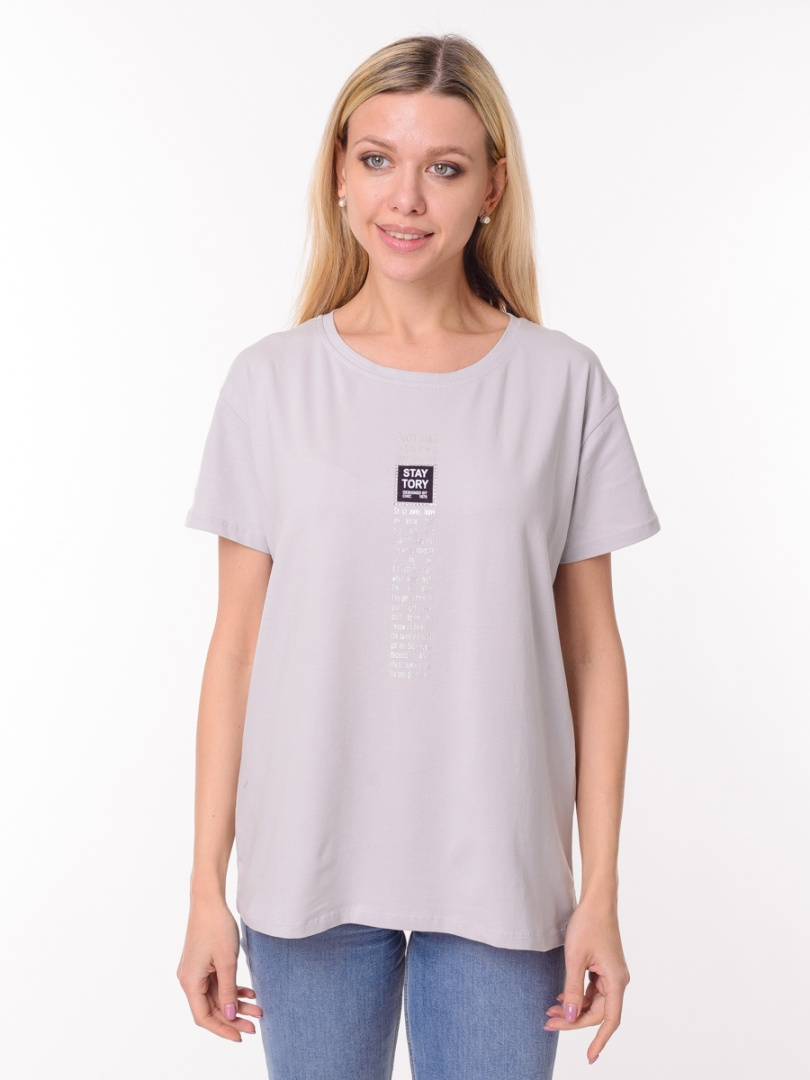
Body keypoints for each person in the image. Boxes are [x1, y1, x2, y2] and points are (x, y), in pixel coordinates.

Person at [176, 32, 661, 1080]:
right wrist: (206, 889)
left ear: (492, 187)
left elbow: (593, 655)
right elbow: (236, 650)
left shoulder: (562, 384)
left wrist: (602, 891)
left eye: (444, 166)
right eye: (378, 159)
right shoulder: (270, 383)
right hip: (306, 868)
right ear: (339, 175)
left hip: (503, 872)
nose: (406, 198)